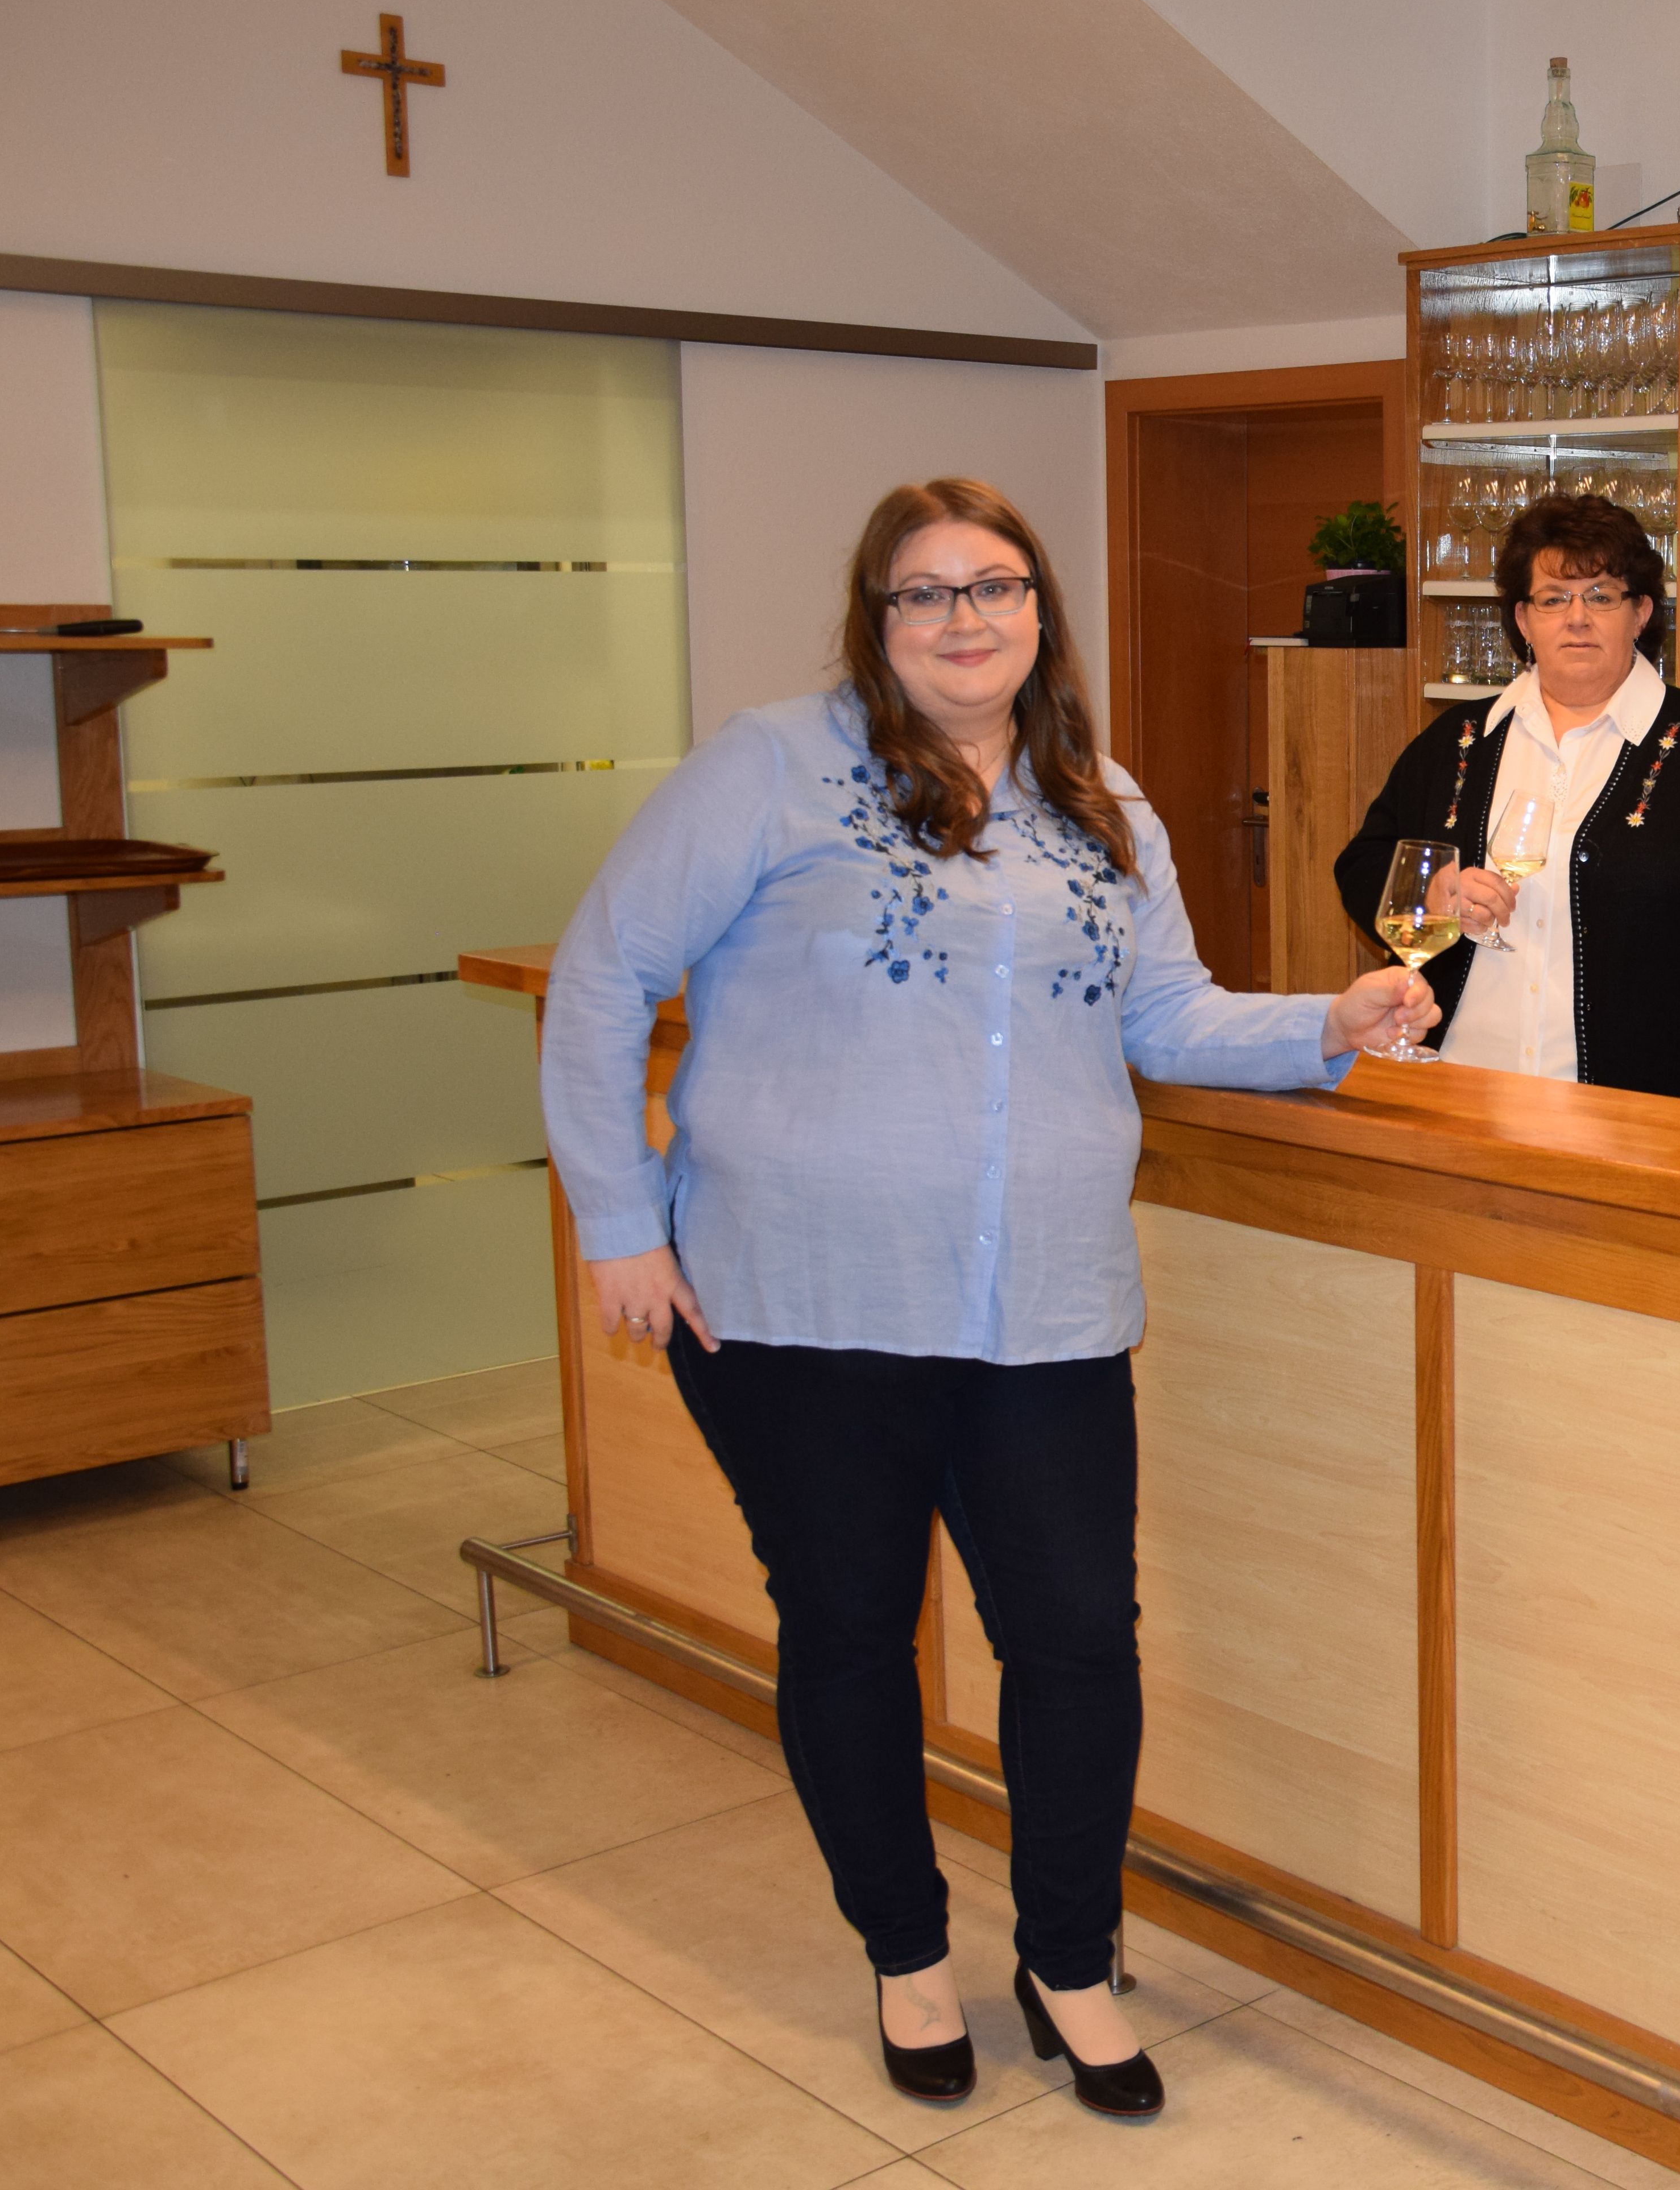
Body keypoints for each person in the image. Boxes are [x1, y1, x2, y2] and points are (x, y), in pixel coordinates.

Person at [541, 477, 1430, 2123]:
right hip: (803, 1306)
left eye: (996, 587)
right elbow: (604, 972)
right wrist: (617, 1218)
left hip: (1046, 1311)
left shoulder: (1101, 800)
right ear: (876, 622)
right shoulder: (775, 765)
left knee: (1081, 1642)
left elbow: (1165, 1016)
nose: (965, 620)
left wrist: (1333, 1020)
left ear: (1042, 612)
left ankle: (1071, 1962)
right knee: (855, 1635)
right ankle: (904, 1951)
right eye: (924, 594)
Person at [1338, 492, 1680, 1104]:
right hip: (1456, 1086)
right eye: (1554, 598)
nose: (1576, 618)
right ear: (1524, 620)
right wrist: (1434, 894)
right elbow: (1367, 863)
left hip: (1640, 1109)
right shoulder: (1458, 741)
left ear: (1640, 613)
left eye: (1601, 596)